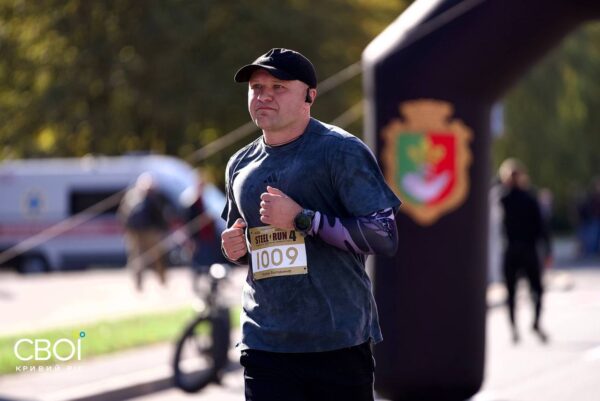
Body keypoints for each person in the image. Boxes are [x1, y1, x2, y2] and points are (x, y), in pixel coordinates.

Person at [220, 48, 401, 401]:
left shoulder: (341, 151)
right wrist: (234, 249)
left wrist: (304, 218)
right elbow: (245, 245)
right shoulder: (239, 165)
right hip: (265, 343)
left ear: (309, 96)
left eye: (278, 87)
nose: (264, 96)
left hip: (336, 343)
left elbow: (384, 236)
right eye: (257, 88)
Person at [498, 158, 552, 344]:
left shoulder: (502, 198)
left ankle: (514, 328)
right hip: (527, 249)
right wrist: (547, 250)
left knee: (511, 292)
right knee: (536, 289)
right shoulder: (528, 197)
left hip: (512, 249)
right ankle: (534, 322)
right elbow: (542, 227)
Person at [118, 172, 171, 291]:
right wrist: (163, 229)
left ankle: (139, 284)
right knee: (157, 257)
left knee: (137, 258)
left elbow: (122, 215)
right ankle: (162, 280)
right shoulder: (152, 197)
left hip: (133, 233)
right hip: (150, 232)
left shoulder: (131, 195)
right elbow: (159, 216)